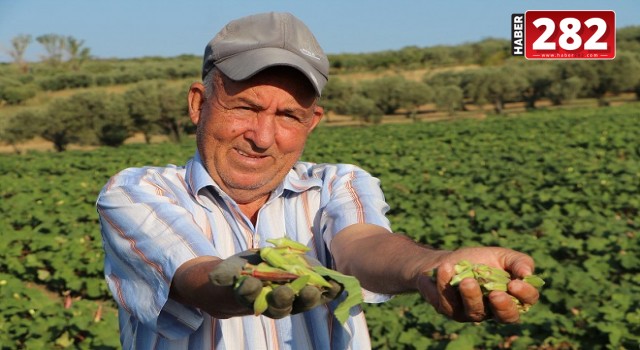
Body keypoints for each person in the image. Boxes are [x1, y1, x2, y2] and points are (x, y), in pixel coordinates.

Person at [97, 12, 539, 349]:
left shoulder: (337, 184)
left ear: (313, 122)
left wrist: (430, 268)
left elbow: (362, 245)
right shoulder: (138, 192)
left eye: (288, 115)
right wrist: (237, 280)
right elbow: (194, 276)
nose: (262, 136)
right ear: (199, 103)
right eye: (246, 107)